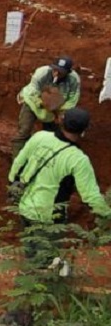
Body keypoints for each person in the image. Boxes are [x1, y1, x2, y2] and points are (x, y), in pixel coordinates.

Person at [9, 108, 110, 266]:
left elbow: (18, 163)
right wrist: (107, 213)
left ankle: (28, 281)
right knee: (48, 259)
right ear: (84, 131)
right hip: (49, 217)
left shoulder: (40, 136)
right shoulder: (78, 159)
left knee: (30, 254)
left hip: (24, 206)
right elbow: (90, 197)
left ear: (61, 121)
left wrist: (12, 185)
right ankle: (42, 284)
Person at [12, 56, 81, 157]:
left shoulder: (73, 80)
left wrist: (60, 112)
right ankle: (17, 158)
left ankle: (45, 157)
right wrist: (43, 103)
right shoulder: (42, 73)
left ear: (68, 72)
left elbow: (72, 99)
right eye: (55, 69)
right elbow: (32, 92)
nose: (56, 73)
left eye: (60, 71)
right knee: (24, 131)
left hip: (56, 108)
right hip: (33, 103)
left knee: (52, 135)